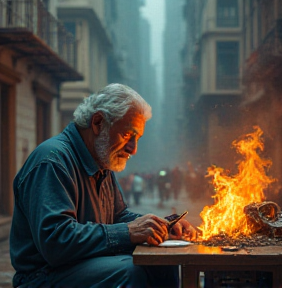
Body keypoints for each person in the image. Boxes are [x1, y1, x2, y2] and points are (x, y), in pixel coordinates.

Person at [10, 83, 196, 288]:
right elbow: (56, 241)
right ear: (98, 122)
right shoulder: (52, 161)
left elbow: (119, 216)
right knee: (131, 273)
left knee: (163, 260)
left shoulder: (101, 161)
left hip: (82, 264)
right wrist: (127, 232)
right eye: (127, 135)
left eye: (137, 138)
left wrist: (159, 224)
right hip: (43, 276)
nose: (133, 149)